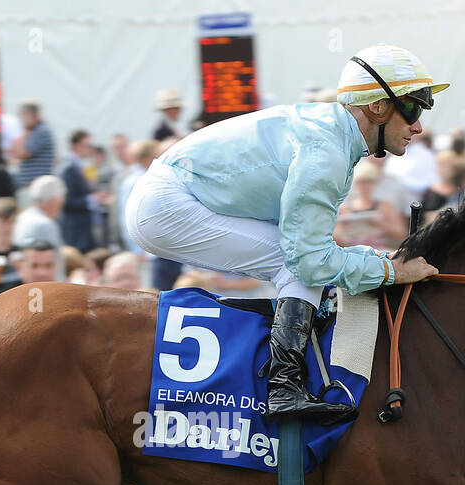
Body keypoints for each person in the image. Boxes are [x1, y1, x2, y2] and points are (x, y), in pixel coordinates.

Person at [125, 44, 442, 424]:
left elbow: (315, 247)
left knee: (302, 261)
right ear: (377, 107)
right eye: (413, 109)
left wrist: (379, 261)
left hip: (171, 195)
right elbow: (309, 262)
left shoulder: (334, 138)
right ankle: (284, 387)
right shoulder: (327, 152)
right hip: (167, 205)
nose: (418, 126)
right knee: (297, 268)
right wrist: (390, 271)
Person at [10, 100, 55, 192]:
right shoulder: (35, 131)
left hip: (35, 186)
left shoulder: (41, 131)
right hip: (32, 185)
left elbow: (21, 153)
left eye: (23, 114)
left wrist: (24, 131)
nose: (21, 119)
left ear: (34, 115)